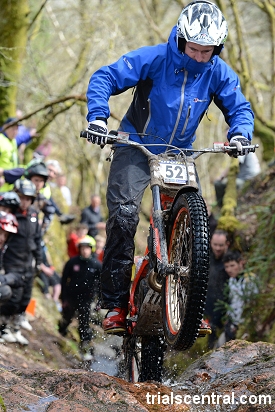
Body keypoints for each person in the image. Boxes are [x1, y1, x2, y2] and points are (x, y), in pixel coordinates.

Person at [85, 1, 254, 333]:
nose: (200, 57)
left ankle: (189, 308)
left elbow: (239, 106)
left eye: (208, 51)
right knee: (124, 216)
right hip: (137, 145)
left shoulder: (218, 71)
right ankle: (115, 305)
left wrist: (240, 135)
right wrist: (98, 118)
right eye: (194, 48)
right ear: (180, 39)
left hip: (179, 154)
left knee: (195, 224)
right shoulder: (155, 58)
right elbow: (106, 76)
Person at [0, 179, 42, 345]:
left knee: (24, 298)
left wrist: (39, 260)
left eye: (28, 198)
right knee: (12, 296)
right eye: (22, 197)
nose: (24, 201)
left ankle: (14, 327)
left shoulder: (33, 215)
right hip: (12, 261)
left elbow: (37, 239)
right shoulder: (11, 214)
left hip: (28, 261)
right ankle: (4, 328)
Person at [58, 235, 101, 361]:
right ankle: (60, 335)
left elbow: (101, 285)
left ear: (91, 249)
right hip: (71, 298)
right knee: (66, 318)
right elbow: (64, 280)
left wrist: (99, 301)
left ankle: (85, 349)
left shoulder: (97, 265)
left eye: (87, 248)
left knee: (84, 324)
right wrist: (64, 298)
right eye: (82, 248)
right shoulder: (72, 262)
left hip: (87, 300)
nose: (85, 250)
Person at [223, 250, 258, 342]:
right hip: (231, 323)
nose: (229, 270)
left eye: (232, 265)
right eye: (226, 266)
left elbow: (253, 304)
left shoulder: (249, 279)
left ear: (241, 263)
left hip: (244, 324)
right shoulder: (231, 280)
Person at [204, 229, 230, 349]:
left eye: (221, 245)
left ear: (227, 244)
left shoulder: (231, 261)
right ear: (210, 243)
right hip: (205, 302)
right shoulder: (205, 255)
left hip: (223, 307)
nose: (218, 248)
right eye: (215, 245)